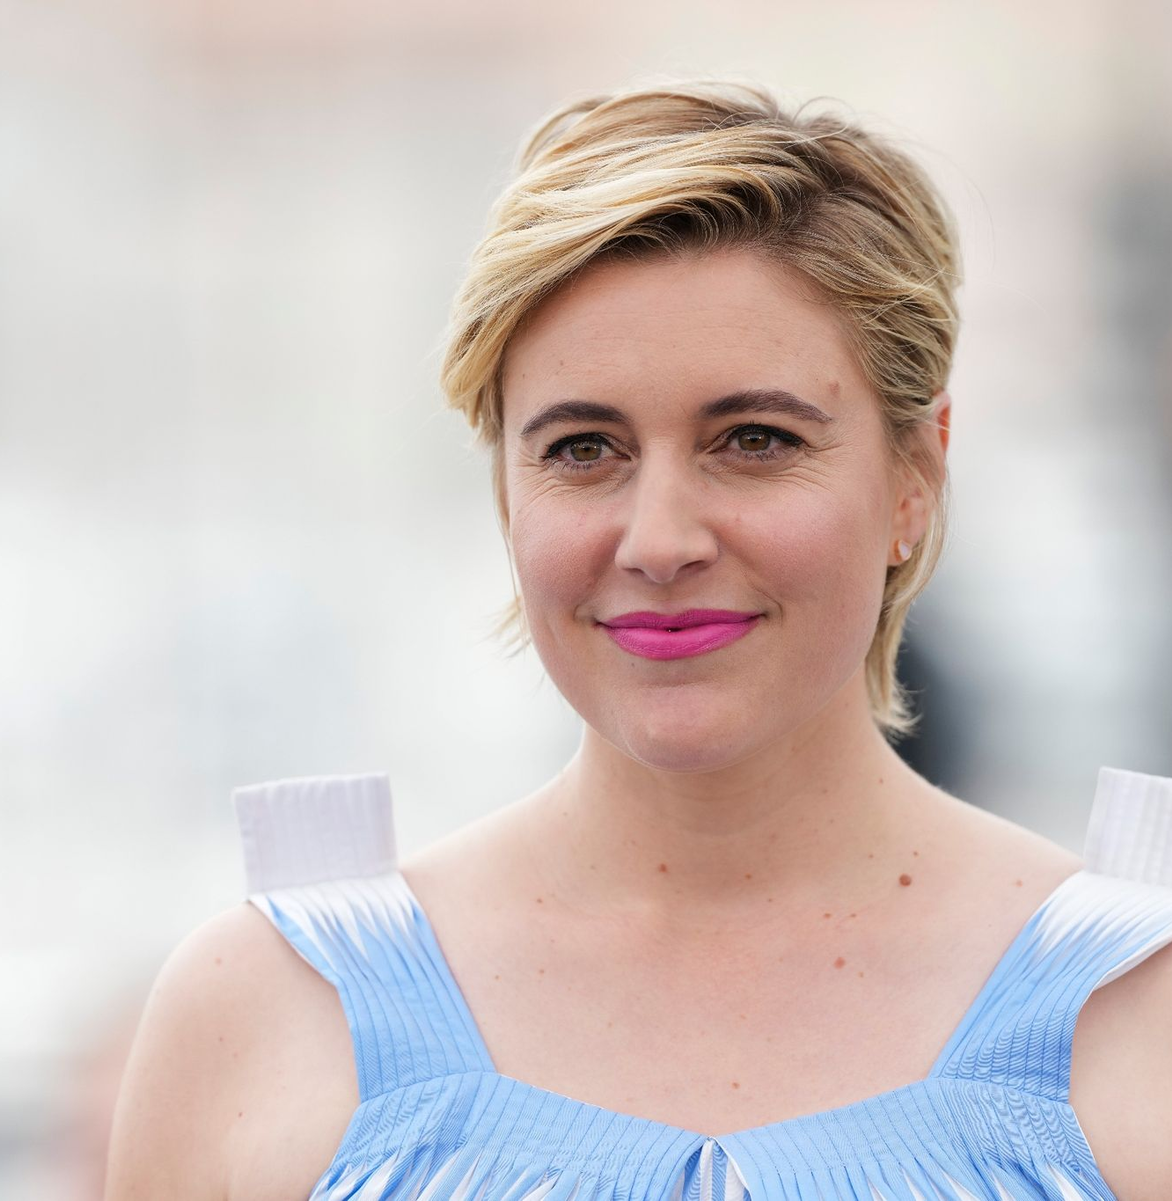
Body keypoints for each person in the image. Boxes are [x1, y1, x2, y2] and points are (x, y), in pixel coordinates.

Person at [104, 78, 1172, 1201]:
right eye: (582, 449)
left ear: (917, 472)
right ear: (506, 491)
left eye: (753, 439)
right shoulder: (266, 1018)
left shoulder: (1141, 1020)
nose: (660, 540)